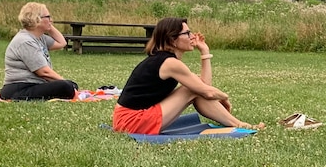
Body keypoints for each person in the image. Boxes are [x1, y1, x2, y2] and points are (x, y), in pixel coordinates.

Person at [112, 17, 264, 134]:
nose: (192, 36)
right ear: (172, 39)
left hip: (128, 119)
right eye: (187, 33)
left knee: (195, 85)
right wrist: (224, 96)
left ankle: (235, 123)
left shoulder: (166, 59)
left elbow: (204, 86)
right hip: (130, 122)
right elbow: (207, 91)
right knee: (191, 89)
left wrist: (204, 52)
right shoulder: (169, 63)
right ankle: (239, 124)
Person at [0, 2, 78, 101]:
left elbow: (61, 43)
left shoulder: (39, 38)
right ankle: (18, 98)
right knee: (66, 86)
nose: (51, 20)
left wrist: (49, 27)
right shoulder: (25, 41)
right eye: (48, 17)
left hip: (34, 85)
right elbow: (43, 72)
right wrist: (66, 82)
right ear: (37, 19)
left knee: (70, 85)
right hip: (19, 88)